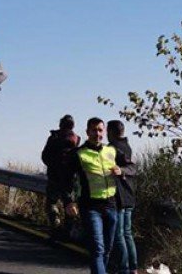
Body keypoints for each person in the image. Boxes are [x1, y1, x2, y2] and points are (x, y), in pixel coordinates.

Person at [64, 117, 121, 274]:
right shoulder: (79, 154)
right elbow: (66, 179)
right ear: (87, 132)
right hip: (90, 206)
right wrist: (69, 201)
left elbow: (132, 168)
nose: (97, 133)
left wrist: (122, 171)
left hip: (111, 205)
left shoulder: (112, 150)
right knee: (97, 248)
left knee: (107, 249)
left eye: (100, 130)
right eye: (94, 130)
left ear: (104, 132)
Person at [41, 114, 81, 239]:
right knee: (69, 204)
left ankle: (56, 227)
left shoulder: (54, 138)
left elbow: (45, 156)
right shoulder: (76, 139)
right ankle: (68, 230)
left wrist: (53, 166)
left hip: (54, 177)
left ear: (60, 124)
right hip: (70, 178)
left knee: (51, 203)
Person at [107, 120, 138, 274]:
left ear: (111, 132)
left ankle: (123, 268)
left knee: (119, 235)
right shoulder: (127, 146)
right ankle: (133, 268)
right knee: (127, 233)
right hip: (129, 195)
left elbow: (129, 167)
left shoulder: (112, 148)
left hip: (119, 195)